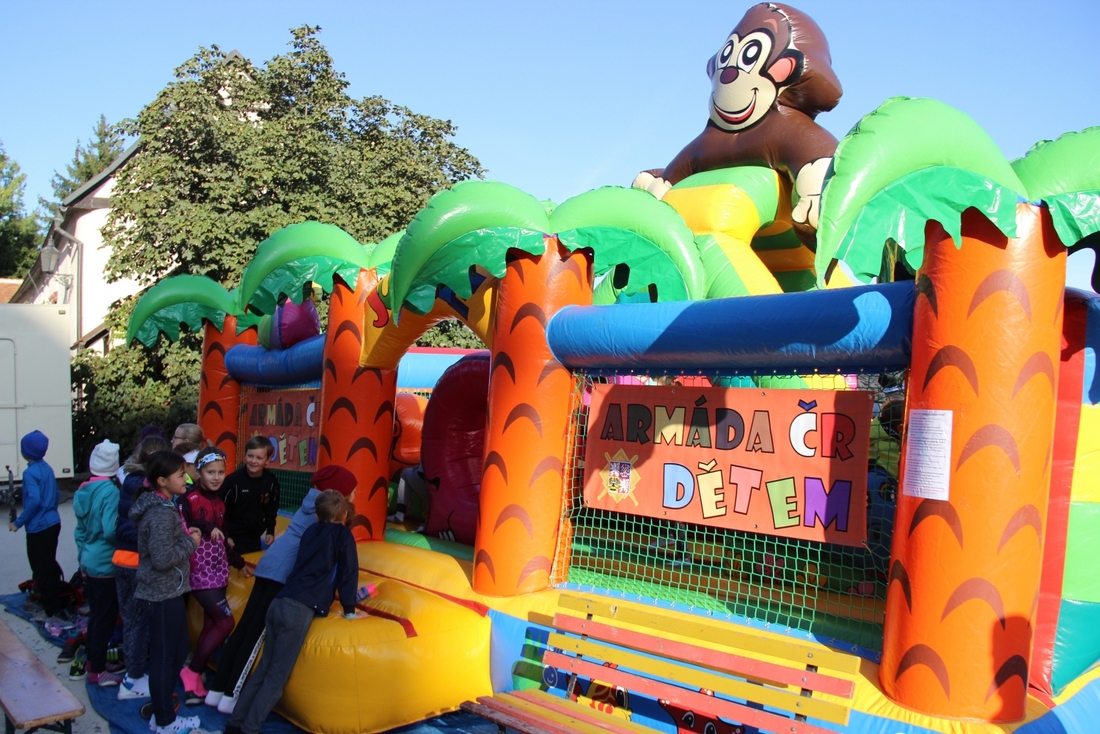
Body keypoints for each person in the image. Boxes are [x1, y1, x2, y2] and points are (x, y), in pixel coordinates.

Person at [205, 465, 357, 713]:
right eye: (352, 491)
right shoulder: (327, 516)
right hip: (282, 572)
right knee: (255, 636)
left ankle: (217, 689)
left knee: (244, 629)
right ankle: (231, 696)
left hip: (270, 563)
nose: (354, 496)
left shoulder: (311, 502)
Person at [130, 450, 202, 734]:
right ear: (161, 480)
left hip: (171, 591)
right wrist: (191, 542)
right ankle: (164, 721)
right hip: (160, 594)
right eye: (180, 475)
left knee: (178, 650)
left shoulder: (165, 505)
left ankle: (163, 708)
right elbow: (161, 559)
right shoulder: (160, 513)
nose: (186, 479)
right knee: (164, 657)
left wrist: (184, 536)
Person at [179, 447, 244, 704]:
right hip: (199, 571)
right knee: (226, 622)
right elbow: (184, 526)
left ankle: (195, 676)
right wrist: (206, 527)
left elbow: (222, 539)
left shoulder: (219, 502)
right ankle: (192, 670)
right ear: (198, 472)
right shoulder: (189, 498)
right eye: (210, 472)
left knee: (211, 624)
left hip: (218, 571)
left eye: (220, 472)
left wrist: (238, 562)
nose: (216, 477)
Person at [115, 435, 169, 700]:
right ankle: (133, 678)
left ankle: (132, 671)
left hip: (121, 559)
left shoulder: (128, 482)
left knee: (130, 619)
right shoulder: (150, 490)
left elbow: (122, 524)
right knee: (139, 622)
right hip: (138, 563)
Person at [74, 440, 123, 687]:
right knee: (105, 618)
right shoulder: (111, 492)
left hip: (89, 561)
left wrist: (82, 561)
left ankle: (94, 660)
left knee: (95, 615)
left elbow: (80, 531)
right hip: (106, 563)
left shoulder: (83, 490)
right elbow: (110, 529)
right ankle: (98, 670)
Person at [9, 430, 66, 620]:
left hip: (38, 527)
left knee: (40, 567)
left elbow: (34, 500)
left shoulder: (29, 473)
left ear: (26, 452)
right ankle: (50, 597)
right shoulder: (47, 468)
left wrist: (18, 522)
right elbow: (56, 493)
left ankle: (50, 608)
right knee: (48, 563)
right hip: (53, 522)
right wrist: (51, 510)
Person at [221, 436, 280, 556]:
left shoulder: (271, 482)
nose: (253, 461)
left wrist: (270, 530)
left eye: (259, 458)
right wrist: (225, 535)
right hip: (231, 537)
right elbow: (219, 510)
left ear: (267, 460)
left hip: (254, 537)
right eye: (250, 456)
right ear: (244, 456)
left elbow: (271, 508)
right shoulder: (233, 481)